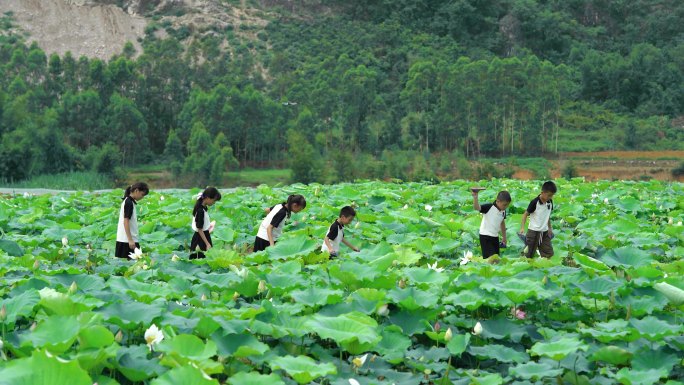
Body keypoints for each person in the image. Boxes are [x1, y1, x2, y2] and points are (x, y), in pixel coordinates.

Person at [519, 181, 557, 258]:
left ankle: (544, 268)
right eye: (549, 195)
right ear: (542, 193)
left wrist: (549, 228)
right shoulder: (534, 202)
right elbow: (525, 214)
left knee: (549, 253)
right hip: (533, 232)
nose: (550, 197)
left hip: (545, 232)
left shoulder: (550, 202)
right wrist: (522, 227)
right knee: (528, 255)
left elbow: (547, 215)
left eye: (552, 195)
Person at [472, 190, 511, 258]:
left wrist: (504, 237)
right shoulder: (489, 207)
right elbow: (476, 207)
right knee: (489, 259)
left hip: (495, 237)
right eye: (504, 205)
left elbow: (502, 223)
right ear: (498, 201)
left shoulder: (503, 211)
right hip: (485, 236)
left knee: (496, 258)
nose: (506, 207)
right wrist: (475, 197)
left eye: (507, 205)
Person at [115, 182, 149, 259]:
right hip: (127, 241)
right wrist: (130, 240)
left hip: (126, 239)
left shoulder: (129, 201)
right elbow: (125, 221)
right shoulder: (129, 203)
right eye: (142, 194)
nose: (142, 197)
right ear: (136, 190)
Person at [190, 187, 222, 259]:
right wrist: (207, 244)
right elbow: (199, 229)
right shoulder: (200, 210)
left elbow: (201, 226)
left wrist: (209, 227)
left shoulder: (203, 208)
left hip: (202, 236)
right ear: (207, 198)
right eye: (214, 200)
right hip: (200, 240)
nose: (214, 203)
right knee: (201, 260)